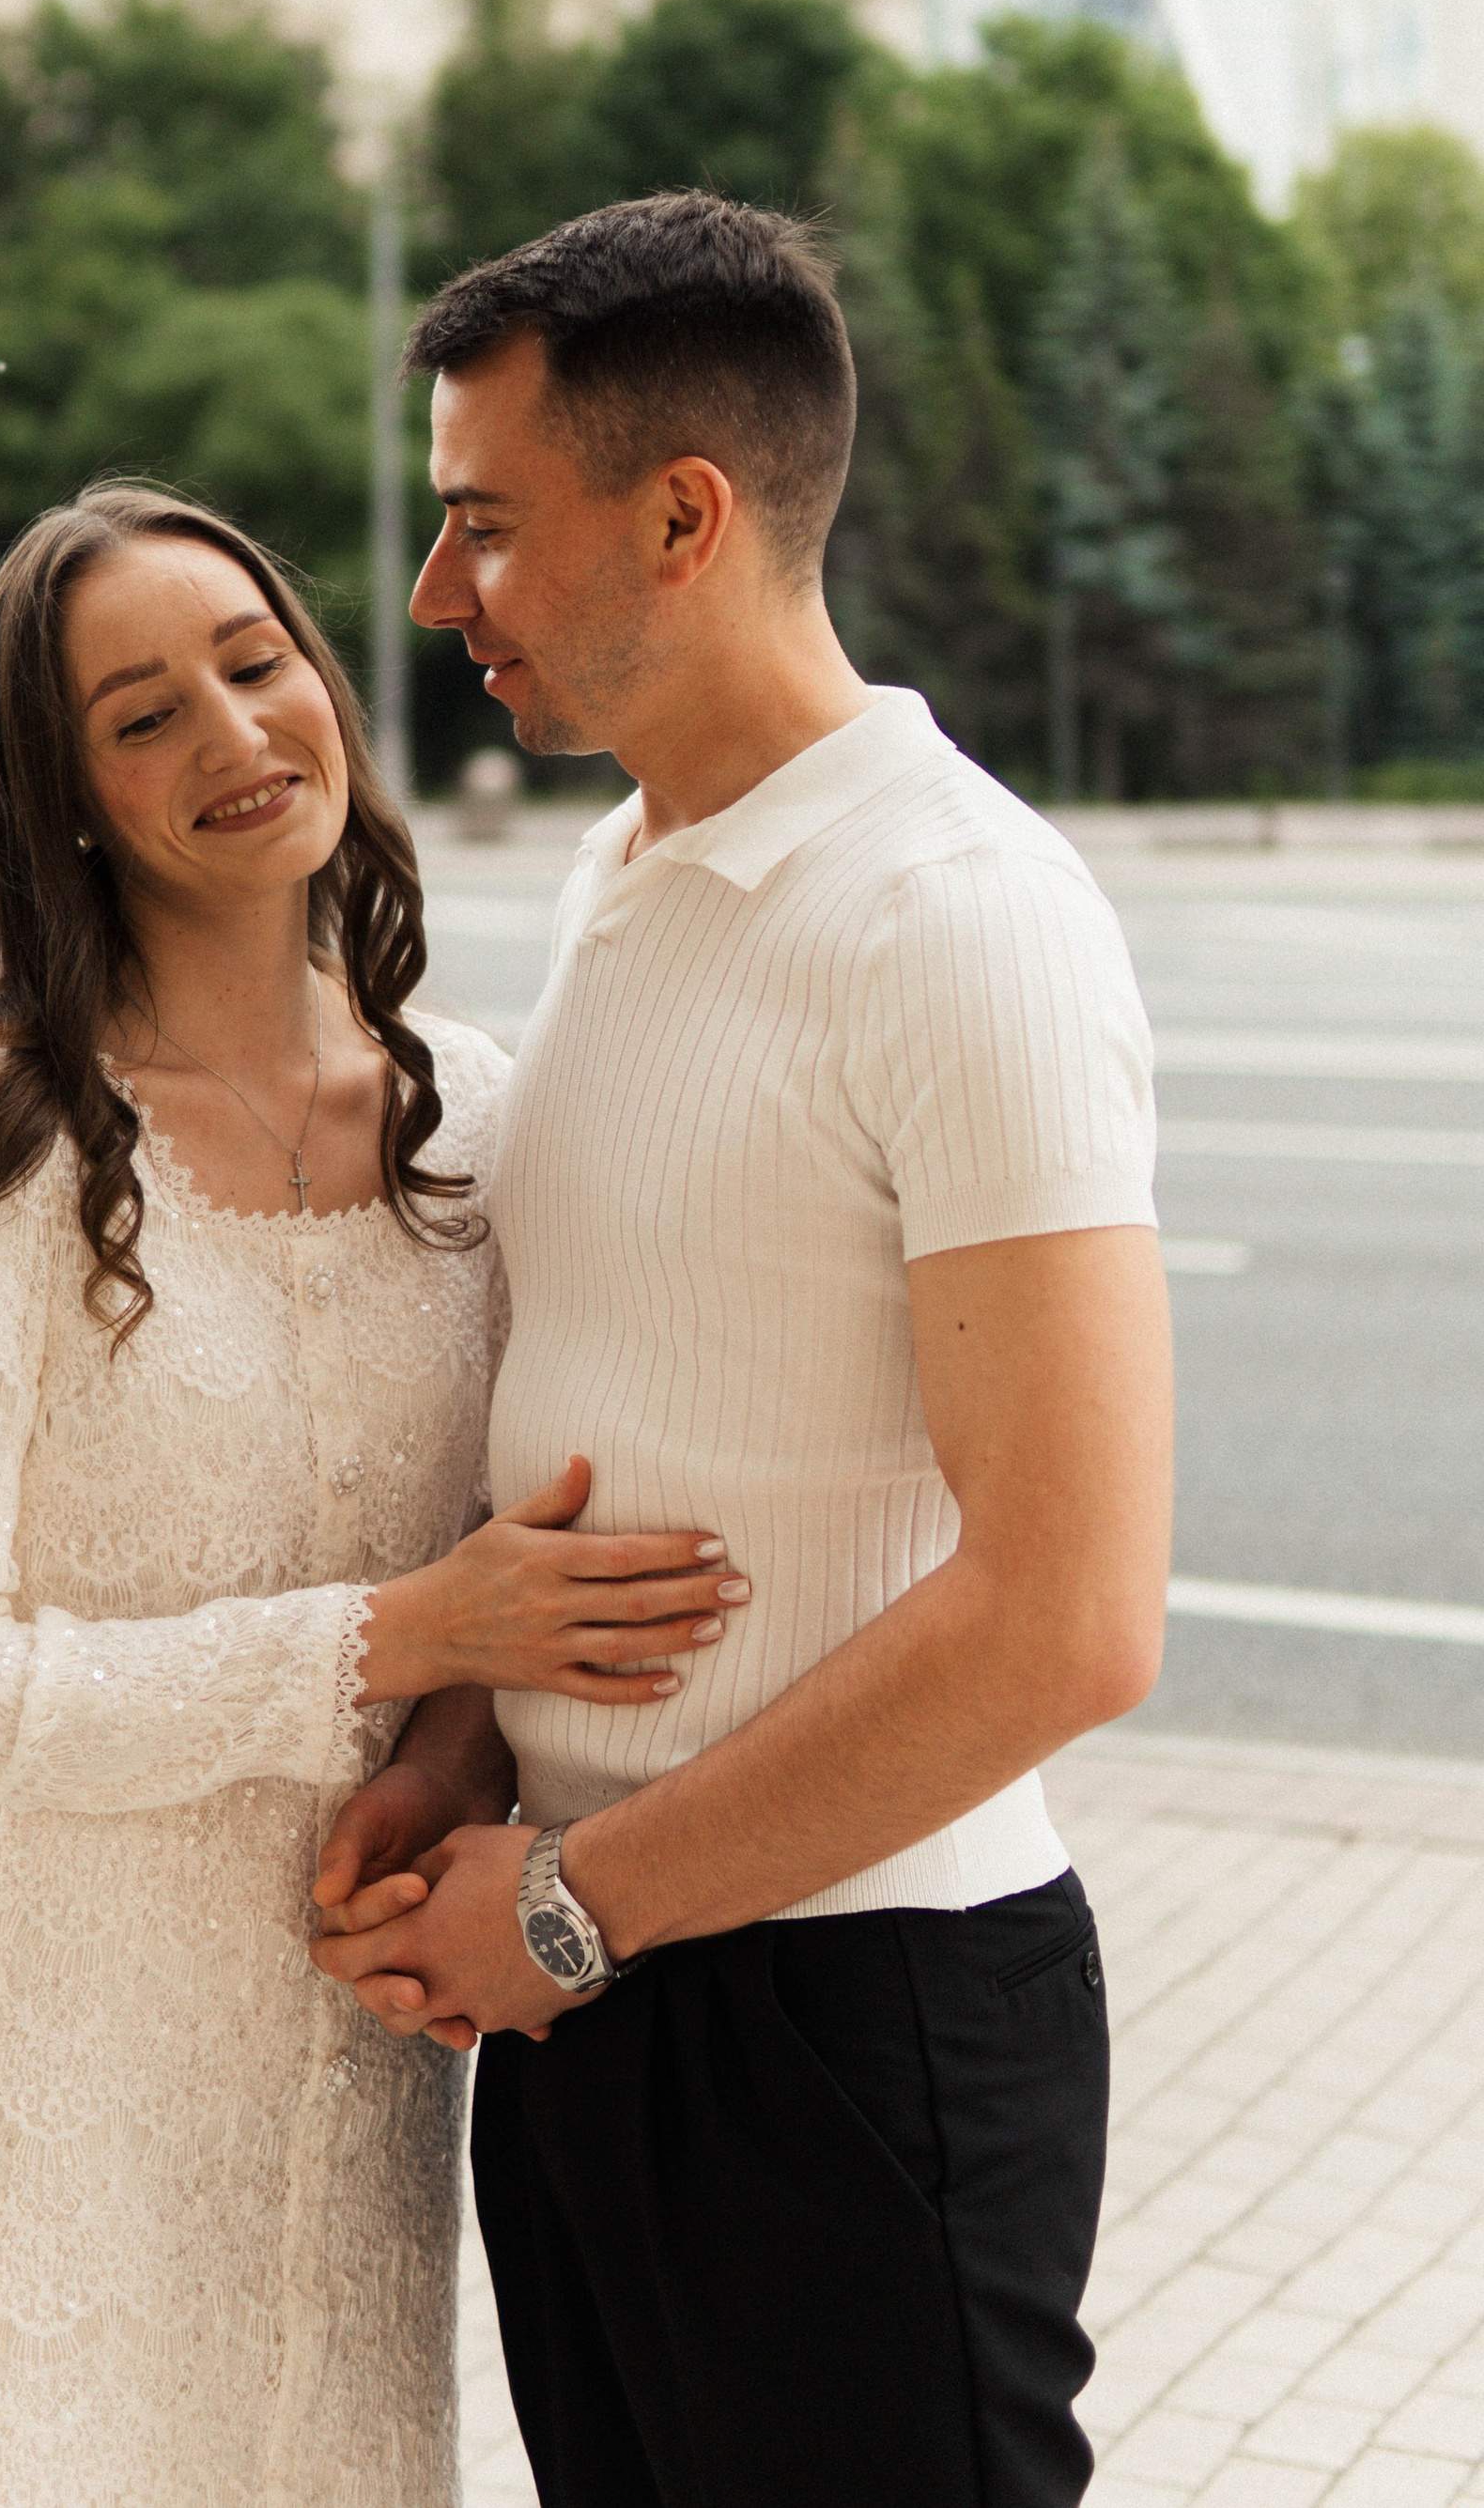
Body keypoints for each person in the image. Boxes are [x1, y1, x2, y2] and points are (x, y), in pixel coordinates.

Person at [312, 193, 1173, 2508]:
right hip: (595, 1994)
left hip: (846, 2017)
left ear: (681, 517)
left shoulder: (952, 915)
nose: (431, 598)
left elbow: (1072, 1614)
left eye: (481, 526)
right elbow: (631, 1404)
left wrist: (576, 1910)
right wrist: (471, 1751)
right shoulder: (629, 871)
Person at [0, 483, 743, 2508]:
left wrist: (470, 1716)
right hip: (50, 2111)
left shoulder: (481, 1117)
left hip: (360, 2101)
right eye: (140, 717)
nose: (230, 738)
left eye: (253, 664)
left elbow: (545, 1553)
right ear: (59, 793)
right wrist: (395, 1641)